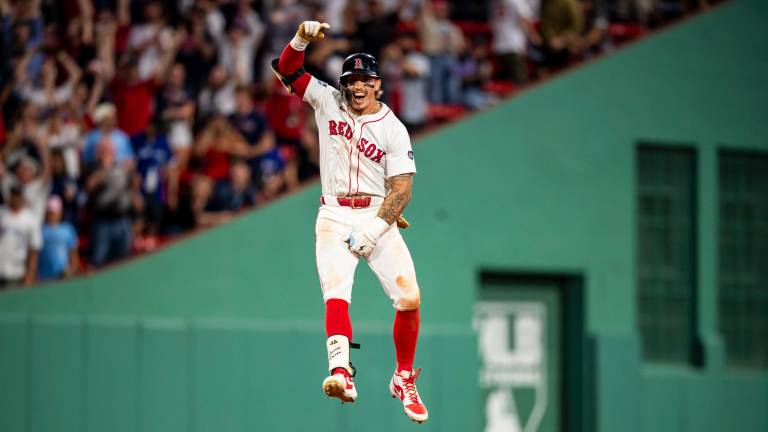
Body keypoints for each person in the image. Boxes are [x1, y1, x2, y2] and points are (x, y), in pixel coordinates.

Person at [271, 20, 427, 423]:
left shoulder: (393, 128)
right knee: (336, 292)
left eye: (365, 80)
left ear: (378, 85)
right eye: (350, 80)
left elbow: (402, 190)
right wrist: (301, 39)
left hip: (378, 214)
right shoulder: (328, 101)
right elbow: (288, 70)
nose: (357, 87)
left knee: (409, 299)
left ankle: (403, 376)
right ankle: (341, 370)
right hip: (335, 213)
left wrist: (375, 229)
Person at [0, 185, 42, 288]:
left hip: (17, 272)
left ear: (23, 197)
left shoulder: (30, 219)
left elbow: (34, 249)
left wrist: (30, 274)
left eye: (18, 195)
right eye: (13, 195)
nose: (15, 199)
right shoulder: (2, 213)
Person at [38, 195, 78, 280]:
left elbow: (73, 253)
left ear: (60, 212)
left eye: (54, 212)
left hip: (63, 276)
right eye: (50, 212)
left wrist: (73, 270)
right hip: (44, 277)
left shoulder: (68, 229)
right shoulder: (40, 230)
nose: (52, 215)